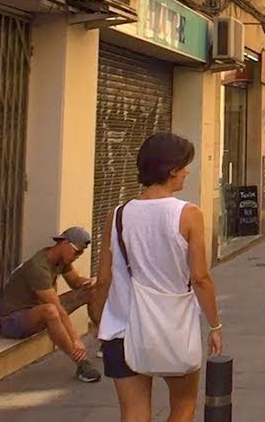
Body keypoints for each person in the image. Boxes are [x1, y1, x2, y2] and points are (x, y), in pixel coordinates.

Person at [92, 132, 223, 422]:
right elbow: (200, 278)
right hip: (171, 328)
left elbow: (103, 280)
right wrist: (215, 325)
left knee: (134, 413)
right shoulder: (188, 214)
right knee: (184, 404)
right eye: (185, 165)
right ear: (172, 169)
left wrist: (99, 321)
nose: (188, 171)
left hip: (122, 329)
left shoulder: (118, 214)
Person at [0, 227, 102, 383]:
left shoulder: (60, 260)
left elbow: (75, 282)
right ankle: (81, 363)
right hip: (13, 321)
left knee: (90, 291)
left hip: (34, 312)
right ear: (65, 243)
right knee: (51, 311)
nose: (78, 257)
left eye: (81, 253)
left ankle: (104, 339)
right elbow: (57, 308)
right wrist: (75, 339)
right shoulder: (38, 267)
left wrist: (90, 281)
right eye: (76, 252)